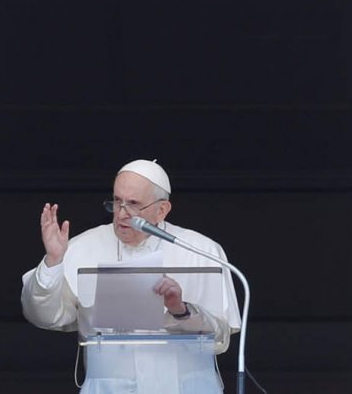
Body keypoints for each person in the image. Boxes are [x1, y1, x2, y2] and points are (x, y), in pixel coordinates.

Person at [21, 159, 241, 393]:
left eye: (133, 204)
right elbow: (44, 317)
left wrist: (181, 310)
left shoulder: (201, 250)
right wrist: (54, 262)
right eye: (117, 202)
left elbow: (220, 338)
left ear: (162, 209)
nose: (121, 214)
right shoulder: (81, 247)